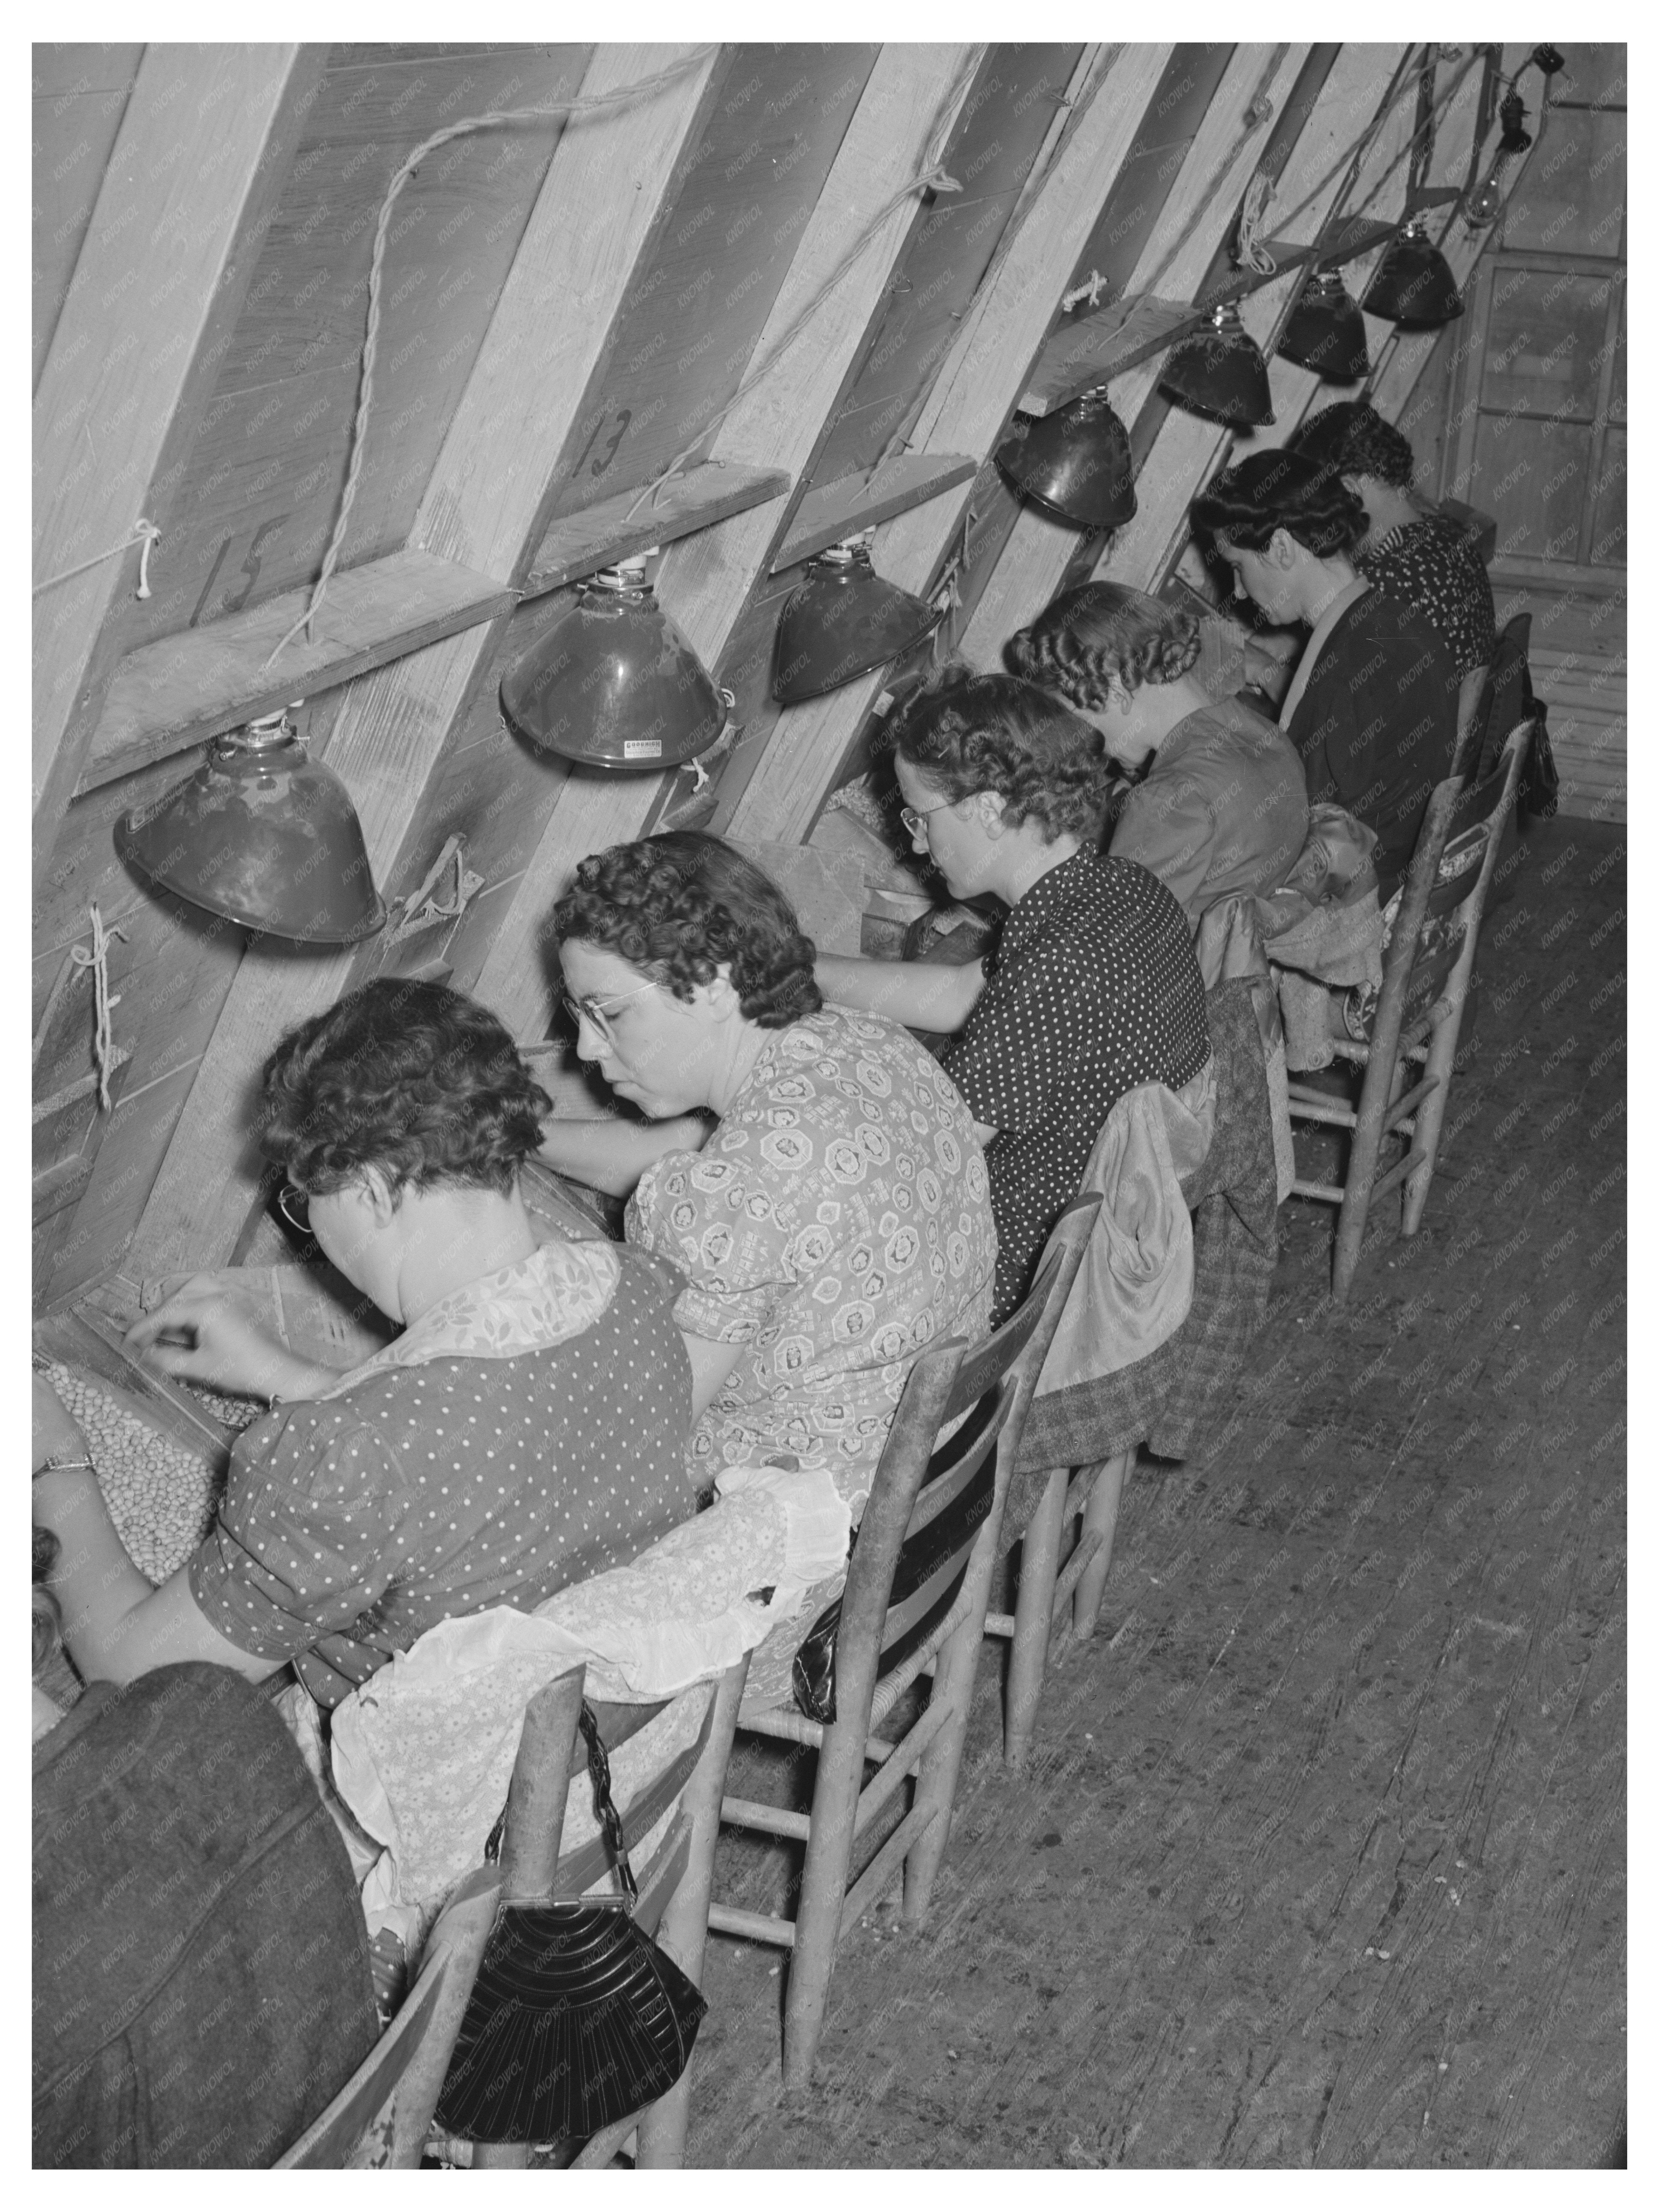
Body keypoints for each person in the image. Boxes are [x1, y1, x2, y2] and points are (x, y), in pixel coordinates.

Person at [33, 979, 699, 1711]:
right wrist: (277, 1372)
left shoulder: (350, 1460)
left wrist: (54, 1457)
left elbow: (135, 1672)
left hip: (439, 1789)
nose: (312, 1226)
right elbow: (476, 1452)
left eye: (305, 1202)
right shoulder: (638, 1290)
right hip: (611, 1730)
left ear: (373, 1189)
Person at [539, 830, 997, 1515]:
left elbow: (644, 1439)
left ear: (716, 980)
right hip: (941, 1457)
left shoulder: (737, 1188)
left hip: (814, 1521)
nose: (585, 1046)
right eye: (578, 1014)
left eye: (607, 1012)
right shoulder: (867, 1039)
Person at [813, 667, 1211, 1327]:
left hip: (1016, 1269)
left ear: (990, 811)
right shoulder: (1122, 888)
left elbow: (932, 1155)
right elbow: (955, 992)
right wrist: (806, 967)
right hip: (1113, 1226)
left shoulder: (1056, 963)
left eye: (920, 815)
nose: (916, 841)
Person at [1189, 449, 1459, 905]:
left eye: (1238, 567)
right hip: (1391, 870)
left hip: (1354, 904)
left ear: (1280, 547)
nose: (1237, 591)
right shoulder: (1392, 621)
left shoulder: (1346, 670)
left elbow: (1298, 838)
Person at [1004, 580, 1308, 926]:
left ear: (1115, 689)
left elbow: (1105, 957)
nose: (1088, 746)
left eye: (1079, 722)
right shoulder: (1271, 738)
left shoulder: (1168, 799)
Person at [1288, 397, 1498, 690]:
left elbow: (1331, 702)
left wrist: (1265, 670)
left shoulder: (1386, 579)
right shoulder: (1449, 532)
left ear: (1350, 489)